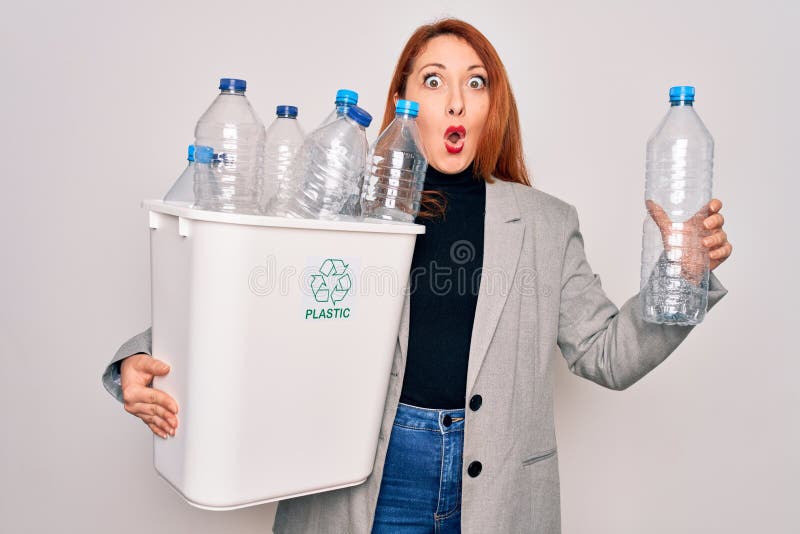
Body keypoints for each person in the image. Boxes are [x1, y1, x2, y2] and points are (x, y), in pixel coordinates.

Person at [102, 18, 732, 534]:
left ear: (493, 106)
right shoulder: (344, 206)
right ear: (405, 100)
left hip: (499, 492)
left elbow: (606, 354)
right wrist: (139, 359)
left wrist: (681, 276)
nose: (456, 99)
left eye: (475, 83)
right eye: (435, 81)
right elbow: (239, 300)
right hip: (368, 476)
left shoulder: (546, 223)